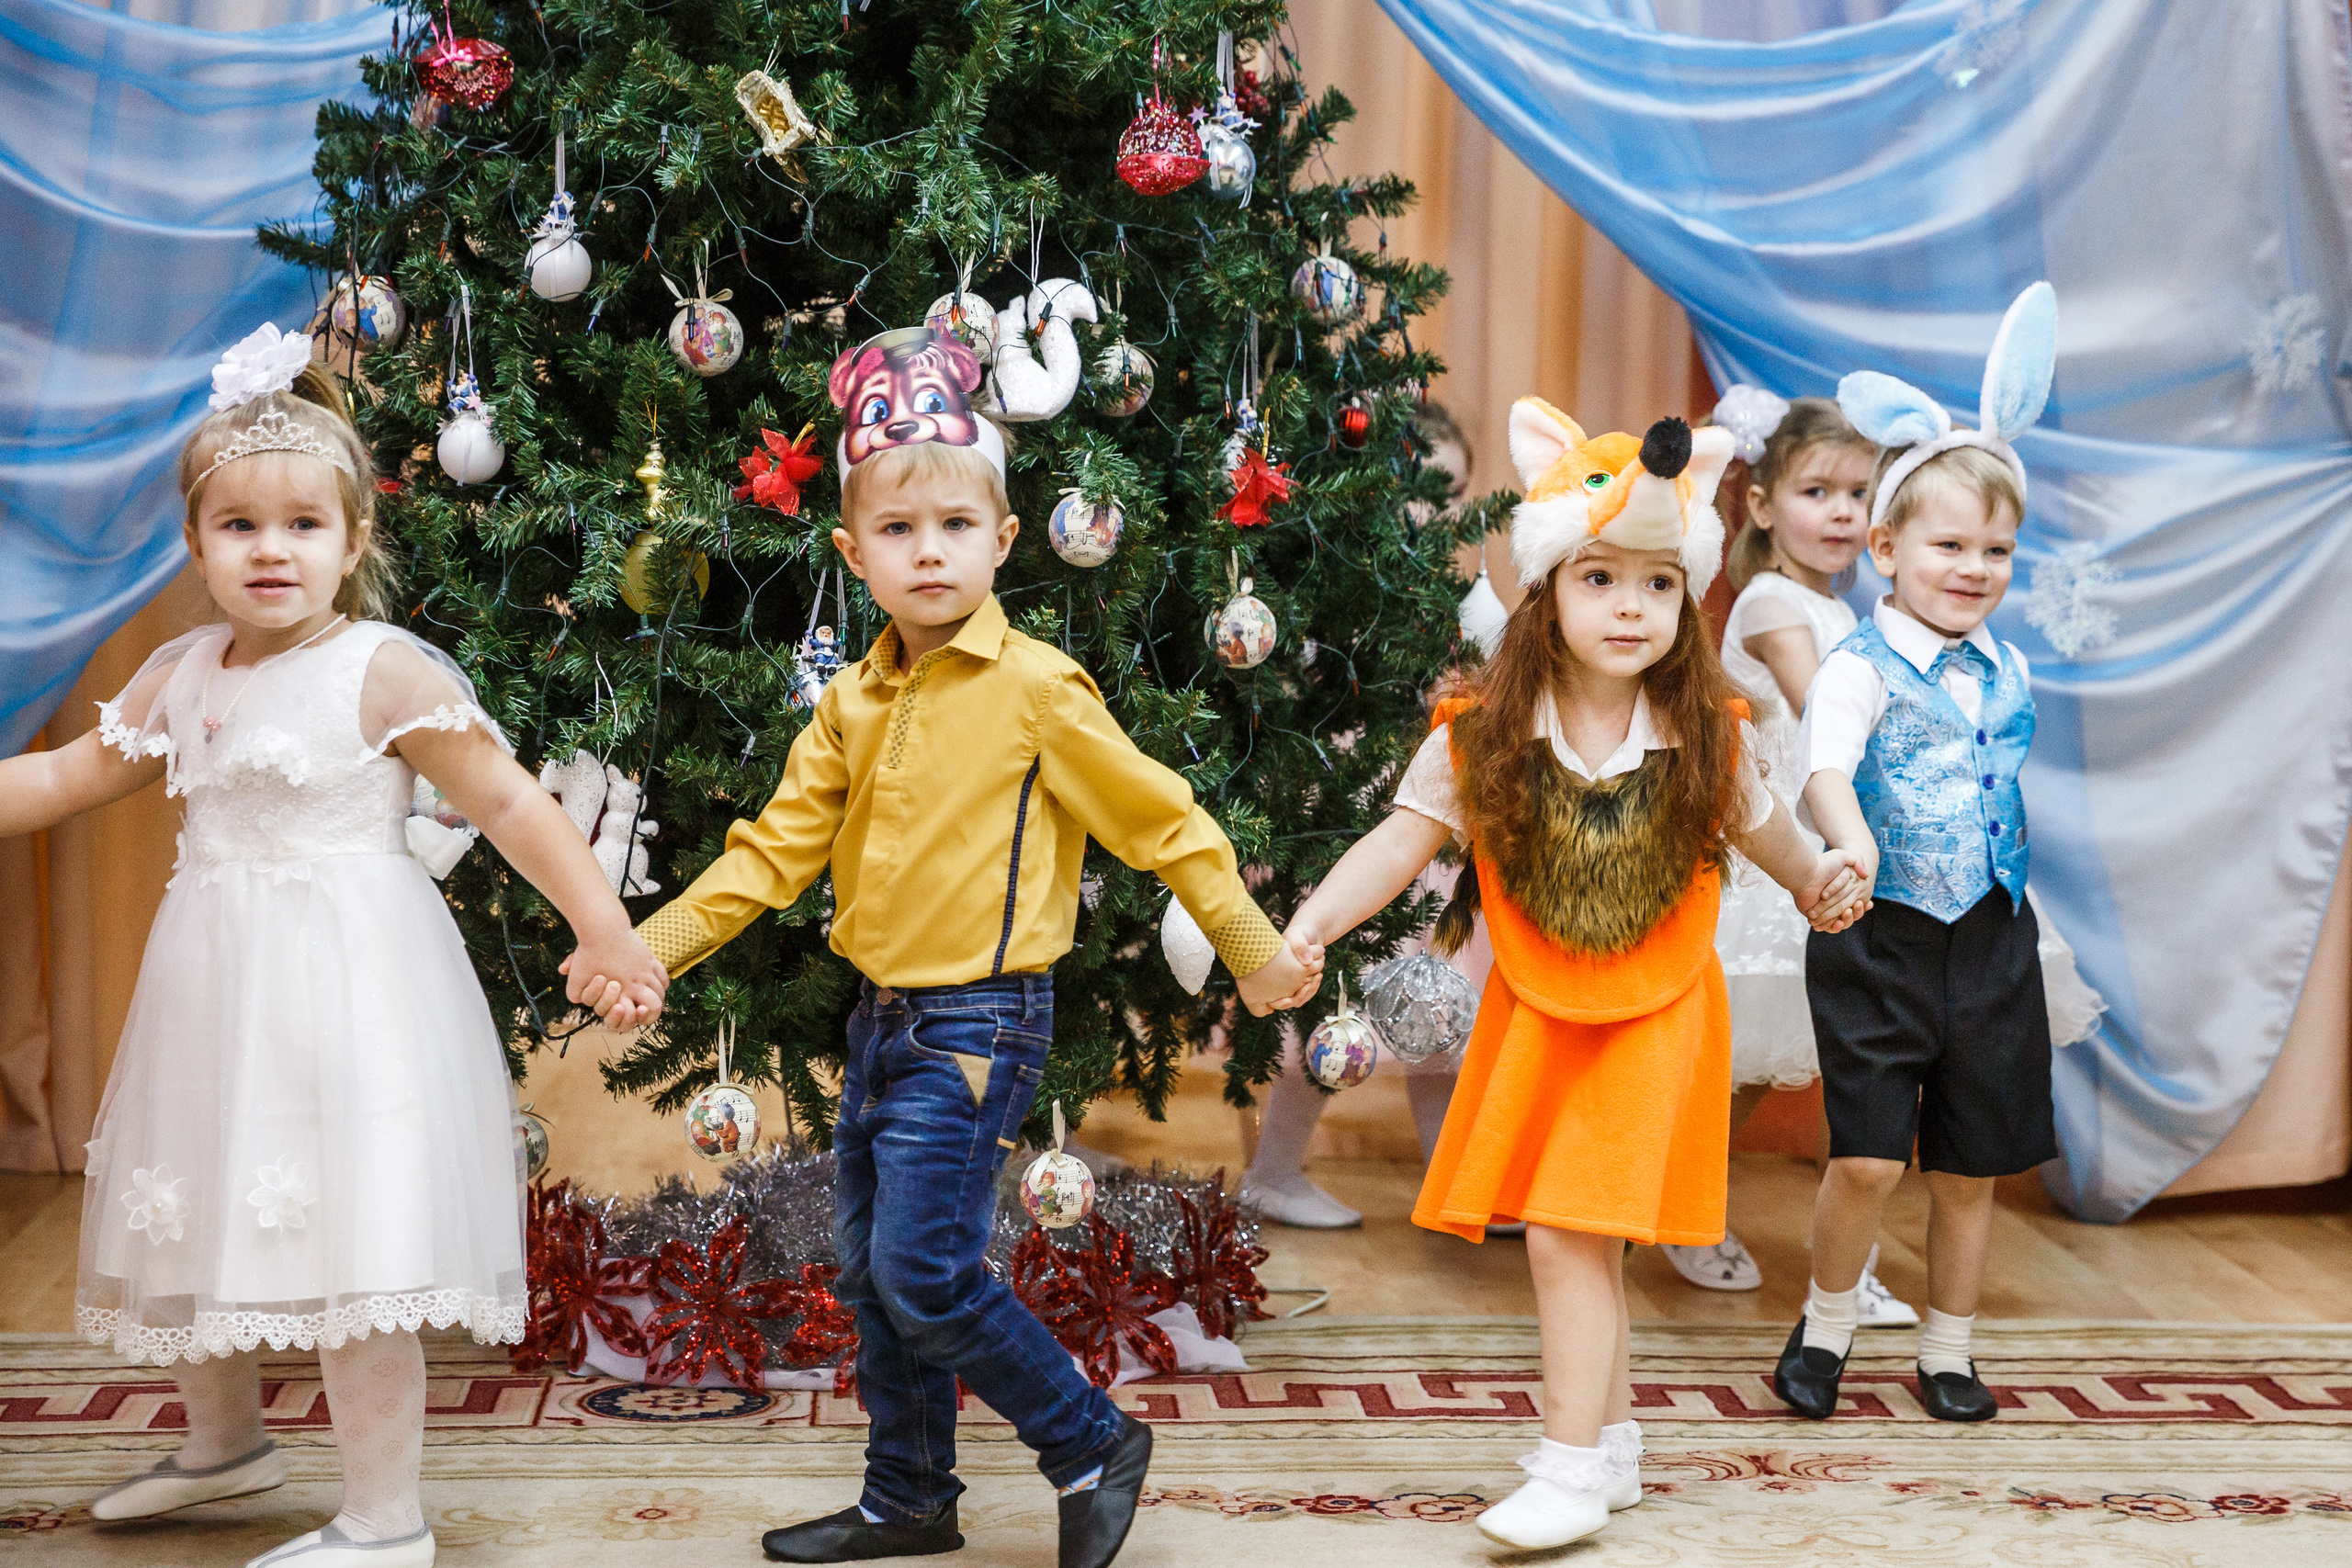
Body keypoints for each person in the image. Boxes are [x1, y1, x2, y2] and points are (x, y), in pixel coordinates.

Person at [628, 323, 1319, 1568]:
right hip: (883, 1020)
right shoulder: (850, 701)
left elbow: (1166, 819)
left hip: (980, 1021)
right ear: (853, 552)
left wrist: (1254, 946)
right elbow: (771, 852)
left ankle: (1089, 1436)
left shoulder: (1040, 690)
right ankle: (909, 1495)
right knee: (873, 1268)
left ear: (1005, 539)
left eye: (955, 525)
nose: (928, 549)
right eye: (897, 531)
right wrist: (653, 945)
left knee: (927, 1267)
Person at [4, 323, 665, 1568]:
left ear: (353, 542)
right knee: (200, 1202)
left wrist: (603, 922)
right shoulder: (176, 669)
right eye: (240, 525)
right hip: (213, 988)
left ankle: (383, 1512)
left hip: (353, 988)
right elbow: (64, 771)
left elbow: (514, 804)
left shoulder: (381, 669)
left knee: (360, 1238)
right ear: (195, 544)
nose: (271, 549)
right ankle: (225, 1445)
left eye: (303, 524)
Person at [1279, 398, 1869, 1550]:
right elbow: (1397, 843)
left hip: (1656, 1013)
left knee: (1563, 1233)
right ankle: (1613, 1441)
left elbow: (1778, 844)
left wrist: (1822, 882)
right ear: (1544, 588)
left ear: (1684, 597)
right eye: (1599, 579)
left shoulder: (1716, 737)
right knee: (1583, 1236)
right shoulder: (1477, 732)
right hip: (1538, 1013)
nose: (1630, 607)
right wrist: (1309, 925)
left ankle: (1568, 1468)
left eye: (1657, 584)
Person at [1774, 285, 2064, 1426]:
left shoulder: (2009, 669)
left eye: (1996, 548)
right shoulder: (1856, 665)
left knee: (1972, 1163)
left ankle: (1949, 1346)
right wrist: (1846, 846)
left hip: (1989, 937)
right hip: (1880, 931)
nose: (1975, 566)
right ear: (1886, 548)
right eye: (1949, 543)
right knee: (1867, 1160)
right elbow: (1823, 770)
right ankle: (1829, 1322)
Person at [1666, 392, 1917, 1324]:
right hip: (1775, 863)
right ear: (1763, 505)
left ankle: (1844, 1265)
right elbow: (1832, 717)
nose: (1843, 511)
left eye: (1859, 492)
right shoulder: (1774, 603)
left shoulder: (1838, 606)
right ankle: (1687, 1218)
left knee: (1830, 1071)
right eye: (1818, 490)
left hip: (1843, 854)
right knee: (1740, 1065)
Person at [1238, 402, 1494, 1229]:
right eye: (1409, 483)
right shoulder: (1345, 583)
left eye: (1446, 490)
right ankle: (1272, 1170)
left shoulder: (1463, 599)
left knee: (1437, 1004)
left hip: (1431, 813)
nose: (1427, 507)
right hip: (1352, 804)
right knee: (1332, 993)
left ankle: (1450, 1182)